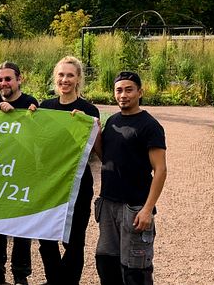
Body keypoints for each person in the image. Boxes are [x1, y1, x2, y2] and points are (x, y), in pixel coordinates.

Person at [30, 56, 100, 284]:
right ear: (55, 78)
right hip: (49, 182)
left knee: (74, 240)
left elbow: (96, 153)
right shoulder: (45, 107)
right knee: (46, 237)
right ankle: (54, 280)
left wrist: (89, 125)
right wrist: (28, 118)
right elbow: (34, 143)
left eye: (70, 75)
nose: (65, 79)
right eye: (61, 75)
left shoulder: (89, 110)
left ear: (78, 78)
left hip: (78, 184)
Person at [94, 71, 167, 285]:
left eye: (128, 89)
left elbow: (160, 170)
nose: (123, 95)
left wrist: (147, 209)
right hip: (108, 205)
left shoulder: (150, 126)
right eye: (119, 90)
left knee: (136, 269)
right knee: (107, 263)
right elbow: (105, 157)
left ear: (139, 92)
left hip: (134, 207)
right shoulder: (113, 121)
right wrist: (96, 134)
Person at [0, 61, 38, 285]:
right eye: (0, 79)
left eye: (8, 79)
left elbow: (35, 136)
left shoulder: (30, 103)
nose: (4, 83)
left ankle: (20, 274)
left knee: (22, 225)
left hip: (22, 173)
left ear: (19, 79)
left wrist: (17, 115)